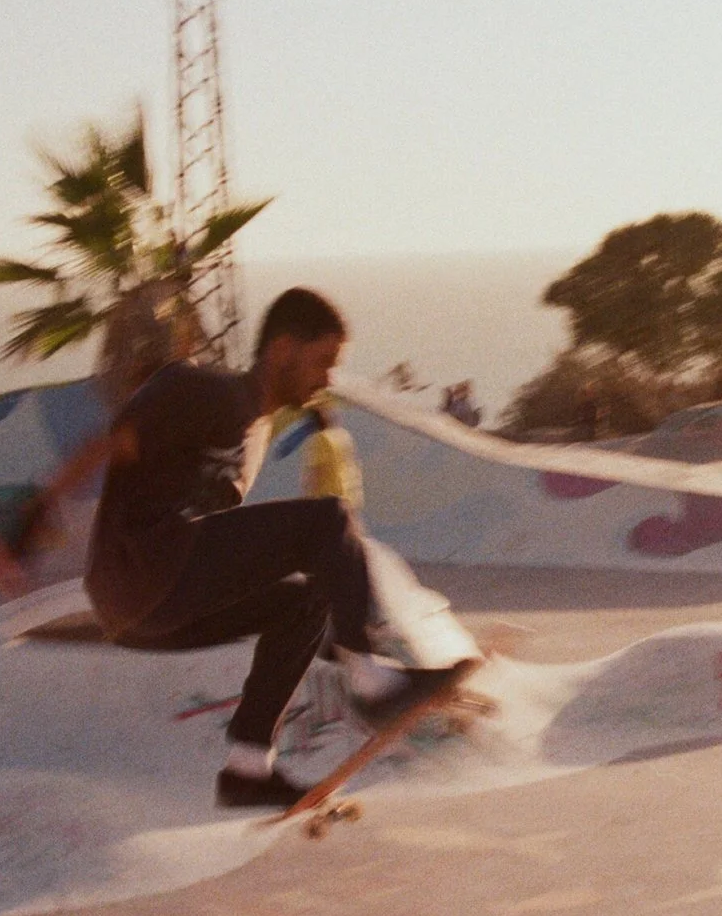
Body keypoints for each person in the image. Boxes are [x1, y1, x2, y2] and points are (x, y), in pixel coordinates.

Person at [85, 287, 461, 810]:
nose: (328, 380)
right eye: (322, 362)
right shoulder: (203, 388)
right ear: (283, 349)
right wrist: (31, 522)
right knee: (328, 519)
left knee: (304, 601)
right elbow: (118, 434)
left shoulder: (257, 432)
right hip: (142, 573)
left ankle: (246, 767)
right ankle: (371, 681)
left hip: (152, 608)